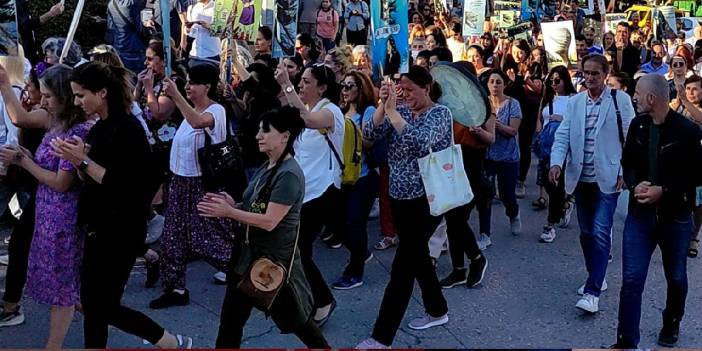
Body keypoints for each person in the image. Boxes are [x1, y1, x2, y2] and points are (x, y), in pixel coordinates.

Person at [51, 61, 191, 348]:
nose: (77, 102)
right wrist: (78, 161)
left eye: (81, 95)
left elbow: (122, 184)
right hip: (98, 224)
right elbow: (91, 177)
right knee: (92, 304)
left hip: (122, 228)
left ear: (102, 92)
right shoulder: (98, 129)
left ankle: (167, 341)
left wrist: (84, 161)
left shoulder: (128, 128)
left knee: (103, 306)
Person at [196, 106, 330, 348]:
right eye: (259, 130)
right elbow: (256, 204)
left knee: (299, 323)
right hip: (248, 259)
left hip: (270, 264)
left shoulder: (289, 174)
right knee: (231, 321)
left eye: (265, 131)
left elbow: (270, 220)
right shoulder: (269, 165)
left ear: (285, 136)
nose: (258, 136)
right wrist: (233, 203)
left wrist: (229, 212)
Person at [356, 66, 452, 349]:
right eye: (402, 89)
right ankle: (437, 309)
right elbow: (369, 135)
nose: (406, 95)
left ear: (427, 87)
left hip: (428, 199)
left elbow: (421, 143)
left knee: (403, 266)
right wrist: (381, 106)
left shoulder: (440, 114)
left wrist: (395, 112)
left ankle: (381, 337)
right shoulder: (399, 109)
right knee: (418, 257)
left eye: (410, 90)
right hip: (399, 195)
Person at [0, 64, 91, 348]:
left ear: (64, 96)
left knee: (63, 286)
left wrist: (23, 162)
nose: (42, 100)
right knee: (62, 285)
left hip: (63, 215)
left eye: (48, 96)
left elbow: (62, 182)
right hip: (47, 212)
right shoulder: (55, 122)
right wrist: (26, 155)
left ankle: (53, 346)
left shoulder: (77, 131)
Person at [613, 73, 702, 348]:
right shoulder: (637, 126)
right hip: (640, 217)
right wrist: (633, 182)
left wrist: (664, 190)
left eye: (638, 93)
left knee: (675, 277)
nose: (634, 97)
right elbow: (627, 163)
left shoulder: (688, 132)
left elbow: (696, 176)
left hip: (675, 218)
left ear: (651, 98)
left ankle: (671, 322)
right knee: (631, 280)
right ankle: (627, 341)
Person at [549, 54, 635, 314]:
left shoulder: (620, 101)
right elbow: (563, 135)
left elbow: (630, 139)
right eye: (586, 73)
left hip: (608, 177)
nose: (589, 78)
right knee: (586, 233)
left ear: (606, 74)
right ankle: (596, 275)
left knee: (600, 231)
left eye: (595, 73)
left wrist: (624, 169)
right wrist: (557, 163)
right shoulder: (575, 102)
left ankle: (592, 292)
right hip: (581, 177)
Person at [148, 63, 233, 309]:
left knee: (208, 238)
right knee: (172, 237)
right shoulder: (190, 109)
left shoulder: (216, 111)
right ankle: (175, 288)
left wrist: (175, 96)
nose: (188, 88)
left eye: (192, 84)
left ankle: (242, 269)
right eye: (186, 84)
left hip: (201, 184)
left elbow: (198, 122)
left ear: (207, 86)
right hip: (179, 182)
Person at [275, 62, 343, 326]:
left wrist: (286, 84)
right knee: (295, 249)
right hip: (303, 193)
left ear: (322, 87)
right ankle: (312, 298)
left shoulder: (330, 111)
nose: (301, 86)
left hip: (323, 191)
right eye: (299, 81)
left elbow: (308, 120)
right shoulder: (305, 108)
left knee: (299, 249)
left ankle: (322, 300)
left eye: (306, 82)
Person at [330, 71, 378, 290]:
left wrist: (350, 133)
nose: (345, 90)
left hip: (362, 177)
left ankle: (354, 271)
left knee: (354, 223)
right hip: (340, 178)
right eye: (344, 86)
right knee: (337, 225)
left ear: (361, 89)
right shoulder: (339, 111)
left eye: (350, 86)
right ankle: (362, 252)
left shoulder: (368, 111)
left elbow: (369, 142)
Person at [480, 69, 522, 250]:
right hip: (488, 156)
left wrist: (494, 124)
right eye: (492, 82)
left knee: (507, 194)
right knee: (485, 195)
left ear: (504, 84)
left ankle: (513, 214)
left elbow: (512, 131)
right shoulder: (483, 103)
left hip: (508, 156)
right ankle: (484, 233)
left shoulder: (513, 104)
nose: (495, 85)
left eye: (498, 82)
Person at [534, 65, 577, 243]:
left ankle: (550, 225)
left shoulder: (574, 99)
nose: (554, 84)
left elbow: (577, 122)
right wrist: (538, 136)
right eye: (550, 81)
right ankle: (565, 204)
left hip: (565, 148)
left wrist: (562, 120)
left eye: (557, 80)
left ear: (565, 80)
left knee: (556, 185)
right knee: (546, 182)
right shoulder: (548, 99)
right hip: (546, 146)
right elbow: (540, 119)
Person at [105, 0, 149, 73]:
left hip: (119, 50)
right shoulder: (133, 3)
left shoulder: (111, 4)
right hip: (137, 50)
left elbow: (110, 29)